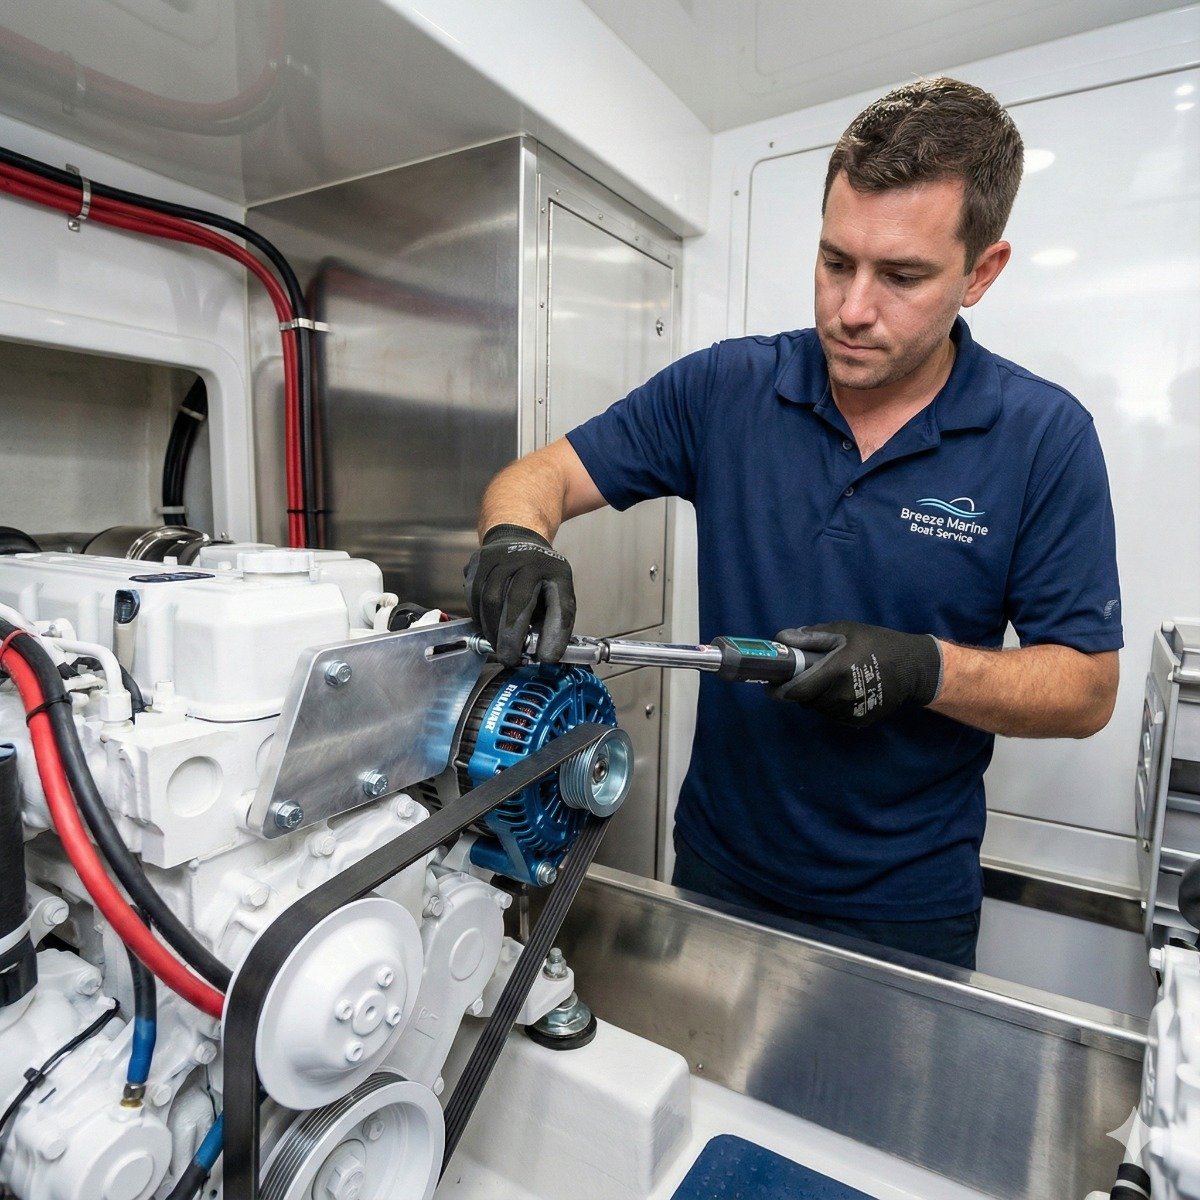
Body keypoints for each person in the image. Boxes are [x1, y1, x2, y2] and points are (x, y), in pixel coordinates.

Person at [463, 77, 1122, 970]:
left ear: (981, 272)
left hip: (906, 909)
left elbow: (1086, 688)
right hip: (717, 869)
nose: (851, 310)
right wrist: (516, 541)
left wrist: (923, 668)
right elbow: (537, 478)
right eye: (835, 261)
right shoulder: (727, 389)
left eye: (901, 276)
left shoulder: (1043, 438)